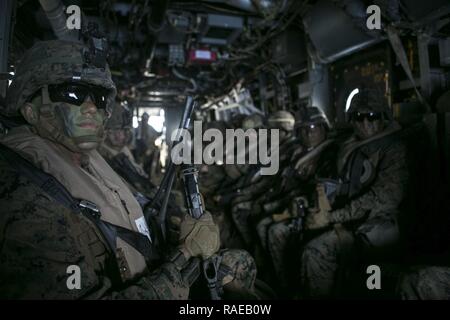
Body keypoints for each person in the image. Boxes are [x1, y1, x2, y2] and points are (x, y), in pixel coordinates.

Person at [0, 40, 258, 299]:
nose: (91, 108)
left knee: (235, 263)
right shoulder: (22, 197)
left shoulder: (82, 160)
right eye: (72, 93)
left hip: (146, 270)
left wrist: (172, 232)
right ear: (30, 110)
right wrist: (185, 254)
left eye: (99, 98)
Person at [300, 88, 409, 298]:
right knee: (311, 247)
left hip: (384, 221)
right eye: (359, 117)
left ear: (383, 116)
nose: (365, 123)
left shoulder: (394, 148)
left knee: (323, 251)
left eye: (372, 116)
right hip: (353, 217)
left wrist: (331, 217)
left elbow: (383, 198)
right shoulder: (351, 146)